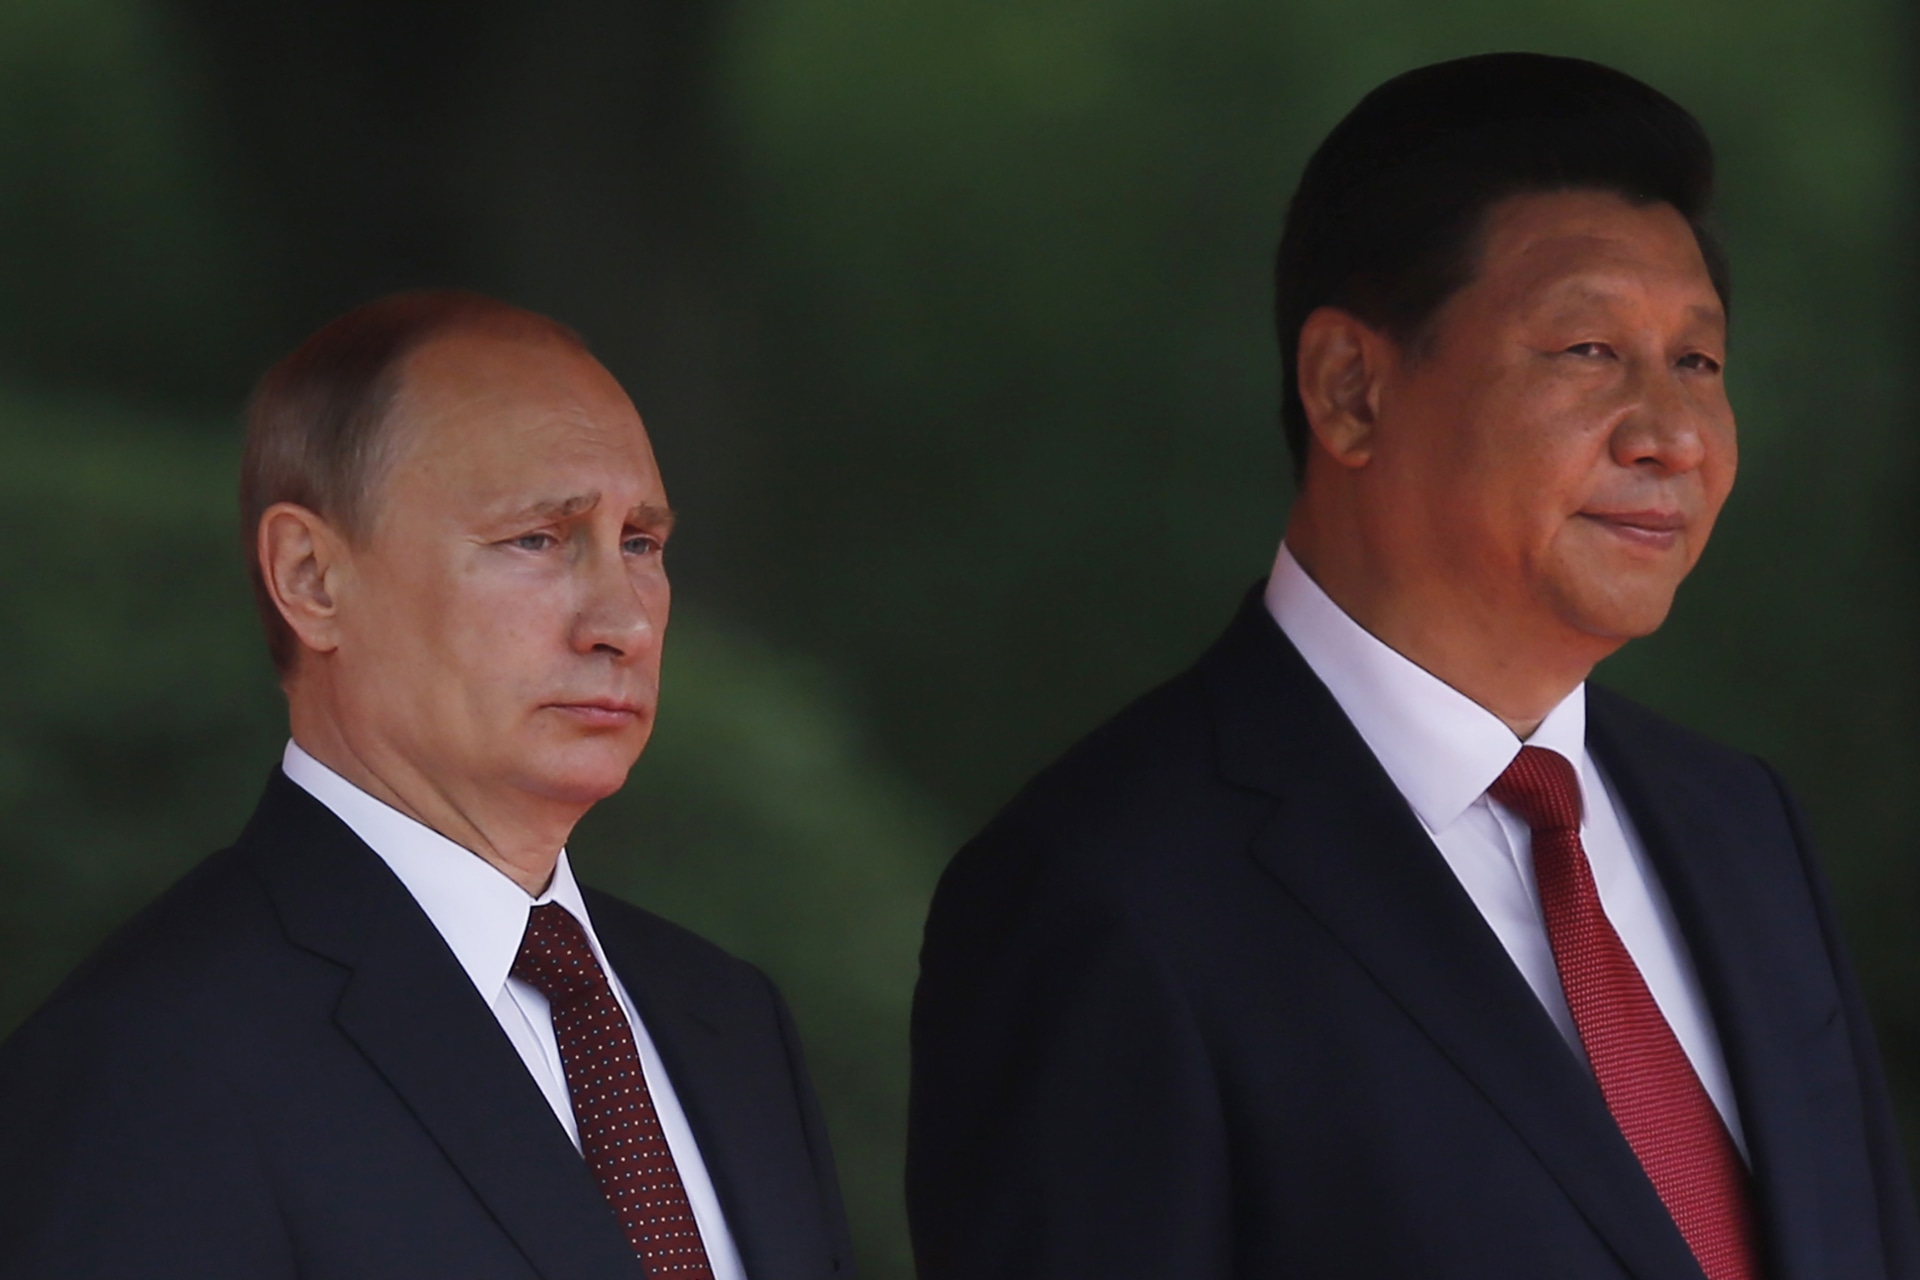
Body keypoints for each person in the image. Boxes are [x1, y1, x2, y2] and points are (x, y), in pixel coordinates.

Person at [907, 53, 1920, 1280]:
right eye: (1591, 348)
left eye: (1698, 362)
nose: (1672, 434)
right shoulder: (1102, 890)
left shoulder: (1741, 825)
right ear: (1351, 390)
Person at [0, 291, 854, 1279]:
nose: (622, 619)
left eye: (641, 543)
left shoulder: (728, 1018)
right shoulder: (149, 1060)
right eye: (537, 538)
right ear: (312, 576)